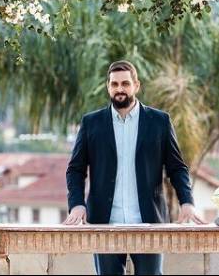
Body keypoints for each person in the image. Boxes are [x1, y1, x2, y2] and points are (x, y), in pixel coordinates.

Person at [64, 60, 205, 275]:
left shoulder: (160, 121)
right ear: (108, 86)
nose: (120, 89)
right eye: (114, 84)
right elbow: (75, 169)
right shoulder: (91, 123)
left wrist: (187, 202)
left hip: (149, 222)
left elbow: (177, 168)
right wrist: (76, 204)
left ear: (136, 85)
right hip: (104, 222)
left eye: (125, 83)